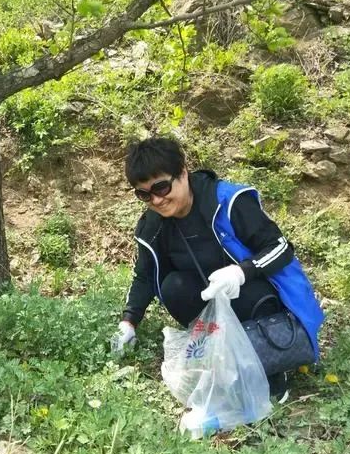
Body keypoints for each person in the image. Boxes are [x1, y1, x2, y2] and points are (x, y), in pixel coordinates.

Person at [112, 137, 324, 402]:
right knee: (173, 286)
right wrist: (128, 321)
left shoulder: (228, 201)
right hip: (211, 305)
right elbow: (144, 276)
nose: (156, 200)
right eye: (144, 194)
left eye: (162, 187)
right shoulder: (153, 226)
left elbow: (280, 249)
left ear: (183, 173)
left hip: (256, 297)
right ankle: (220, 351)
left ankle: (270, 365)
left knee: (252, 294)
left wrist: (242, 272)